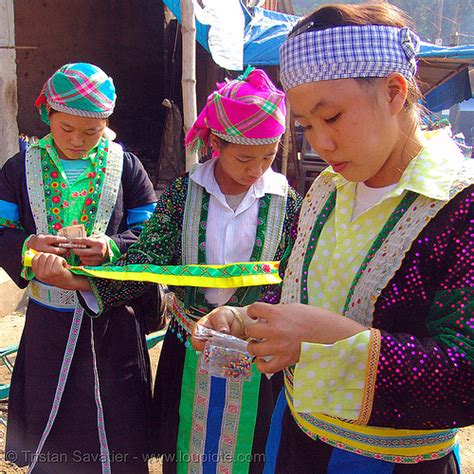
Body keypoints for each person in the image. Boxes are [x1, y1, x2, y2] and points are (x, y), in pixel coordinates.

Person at [192, 3, 473, 473]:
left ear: (393, 92)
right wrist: (246, 318)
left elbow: (465, 376)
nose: (318, 143)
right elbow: (302, 290)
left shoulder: (457, 207)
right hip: (295, 440)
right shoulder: (327, 189)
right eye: (304, 126)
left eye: (333, 117)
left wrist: (330, 343)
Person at [29, 67, 302, 473]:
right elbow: (146, 258)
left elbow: (295, 276)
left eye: (267, 156)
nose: (256, 168)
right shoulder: (185, 194)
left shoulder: (288, 202)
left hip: (258, 348)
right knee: (185, 447)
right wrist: (76, 280)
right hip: (189, 341)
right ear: (215, 144)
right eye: (244, 157)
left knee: (255, 450)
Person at [0, 63, 159, 473]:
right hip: (47, 320)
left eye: (90, 132)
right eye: (66, 128)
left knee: (116, 418)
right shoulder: (19, 169)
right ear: (46, 116)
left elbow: (150, 234)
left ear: (107, 123)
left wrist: (111, 247)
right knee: (55, 424)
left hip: (113, 322)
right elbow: (1, 228)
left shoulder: (127, 167)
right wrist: (29, 247)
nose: (77, 141)